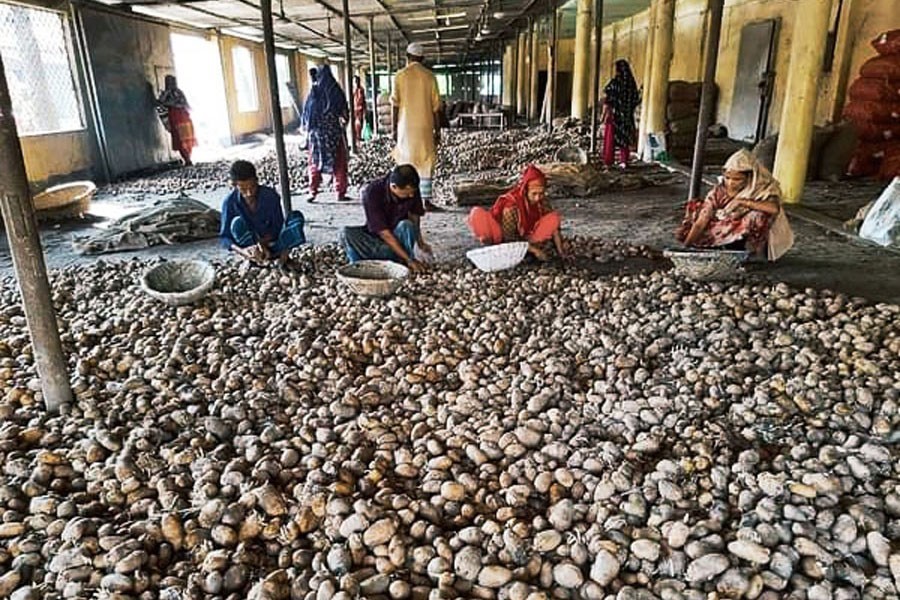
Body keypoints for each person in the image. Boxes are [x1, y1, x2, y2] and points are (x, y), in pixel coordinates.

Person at [676, 149, 792, 259]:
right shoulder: (719, 191)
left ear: (750, 177)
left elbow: (774, 209)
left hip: (746, 232)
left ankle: (749, 251)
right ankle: (719, 245)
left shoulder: (762, 187)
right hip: (722, 228)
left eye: (737, 179)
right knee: (695, 207)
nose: (730, 183)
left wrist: (742, 202)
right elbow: (701, 221)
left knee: (758, 215)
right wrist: (686, 247)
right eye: (727, 178)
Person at [340, 164, 432, 273]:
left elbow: (415, 216)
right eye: (407, 193)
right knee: (346, 233)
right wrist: (410, 260)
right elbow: (384, 234)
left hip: (397, 237)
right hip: (376, 238)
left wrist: (420, 242)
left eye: (413, 192)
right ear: (394, 187)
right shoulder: (372, 192)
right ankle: (360, 268)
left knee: (407, 225)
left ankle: (400, 260)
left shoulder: (411, 188)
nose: (411, 195)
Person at [467, 165, 568, 261]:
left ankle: (530, 247)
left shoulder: (543, 202)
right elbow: (509, 239)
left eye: (541, 193)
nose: (538, 198)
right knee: (476, 213)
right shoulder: (511, 206)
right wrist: (535, 251)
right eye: (534, 194)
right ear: (525, 191)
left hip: (528, 237)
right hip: (504, 238)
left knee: (553, 218)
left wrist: (561, 252)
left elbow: (555, 229)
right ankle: (494, 243)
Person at [219, 160, 306, 266]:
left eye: (252, 187)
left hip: (273, 243)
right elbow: (225, 238)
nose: (249, 193)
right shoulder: (229, 203)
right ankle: (256, 258)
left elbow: (277, 226)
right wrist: (244, 251)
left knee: (296, 217)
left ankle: (281, 255)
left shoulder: (270, 196)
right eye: (243, 189)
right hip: (250, 246)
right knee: (236, 224)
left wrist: (262, 243)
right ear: (235, 186)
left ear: (256, 181)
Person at [391, 42, 442, 212]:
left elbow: (395, 104)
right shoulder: (430, 77)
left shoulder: (399, 75)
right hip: (425, 127)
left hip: (405, 127)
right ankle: (425, 201)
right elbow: (436, 107)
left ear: (407, 57)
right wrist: (438, 129)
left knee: (405, 159)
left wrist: (393, 129)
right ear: (423, 58)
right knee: (426, 160)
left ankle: (404, 196)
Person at [301, 64, 349, 202]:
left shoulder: (314, 92)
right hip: (333, 133)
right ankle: (340, 192)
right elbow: (345, 113)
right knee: (339, 162)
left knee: (314, 162)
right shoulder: (335, 90)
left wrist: (308, 130)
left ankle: (312, 191)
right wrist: (343, 124)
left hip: (316, 136)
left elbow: (306, 115)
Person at [600, 60, 641, 169]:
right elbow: (636, 99)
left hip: (615, 116)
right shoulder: (631, 83)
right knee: (624, 139)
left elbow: (608, 98)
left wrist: (603, 115)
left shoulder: (615, 83)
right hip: (627, 116)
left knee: (610, 139)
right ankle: (624, 161)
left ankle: (608, 161)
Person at [157, 75, 196, 166]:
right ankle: (187, 159)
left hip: (184, 118)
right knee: (179, 140)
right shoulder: (165, 94)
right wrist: (167, 96)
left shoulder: (179, 92)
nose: (172, 84)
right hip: (175, 119)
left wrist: (174, 104)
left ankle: (188, 158)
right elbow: (160, 103)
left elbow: (185, 104)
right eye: (169, 82)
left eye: (173, 82)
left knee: (187, 139)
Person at [353, 75, 367, 144]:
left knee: (359, 124)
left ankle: (358, 137)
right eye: (355, 81)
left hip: (360, 110)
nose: (356, 83)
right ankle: (356, 138)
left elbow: (363, 100)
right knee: (355, 125)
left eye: (357, 81)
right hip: (355, 110)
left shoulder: (361, 90)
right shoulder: (353, 90)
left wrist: (364, 110)